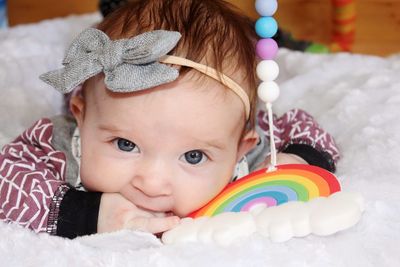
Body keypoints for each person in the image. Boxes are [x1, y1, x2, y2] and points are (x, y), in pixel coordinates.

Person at [0, 0, 339, 239]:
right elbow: (7, 179)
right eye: (125, 144)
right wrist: (87, 213)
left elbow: (303, 128)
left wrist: (293, 160)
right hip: (98, 93)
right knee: (93, 87)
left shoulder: (244, 150)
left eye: (193, 156)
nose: (152, 183)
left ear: (240, 148)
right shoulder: (60, 144)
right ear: (81, 117)